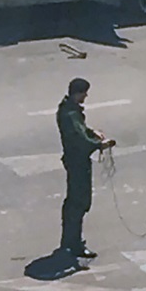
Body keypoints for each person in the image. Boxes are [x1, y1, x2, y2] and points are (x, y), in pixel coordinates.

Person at [56, 78, 115, 260]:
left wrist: (91, 132)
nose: (86, 96)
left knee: (73, 202)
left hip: (73, 160)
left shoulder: (67, 108)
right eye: (85, 92)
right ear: (78, 92)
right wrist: (99, 145)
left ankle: (68, 241)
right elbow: (79, 139)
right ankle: (74, 244)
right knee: (79, 202)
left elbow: (80, 131)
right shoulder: (70, 114)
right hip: (77, 162)